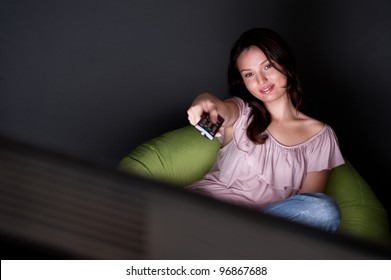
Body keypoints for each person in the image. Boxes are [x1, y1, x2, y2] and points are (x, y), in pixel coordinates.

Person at [186, 28, 345, 233]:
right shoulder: (242, 113)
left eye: (267, 66)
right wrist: (204, 102)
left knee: (323, 210)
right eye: (249, 74)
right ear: (243, 81)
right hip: (206, 212)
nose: (261, 81)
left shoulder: (320, 137)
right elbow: (220, 107)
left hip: (260, 230)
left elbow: (307, 208)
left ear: (284, 63)